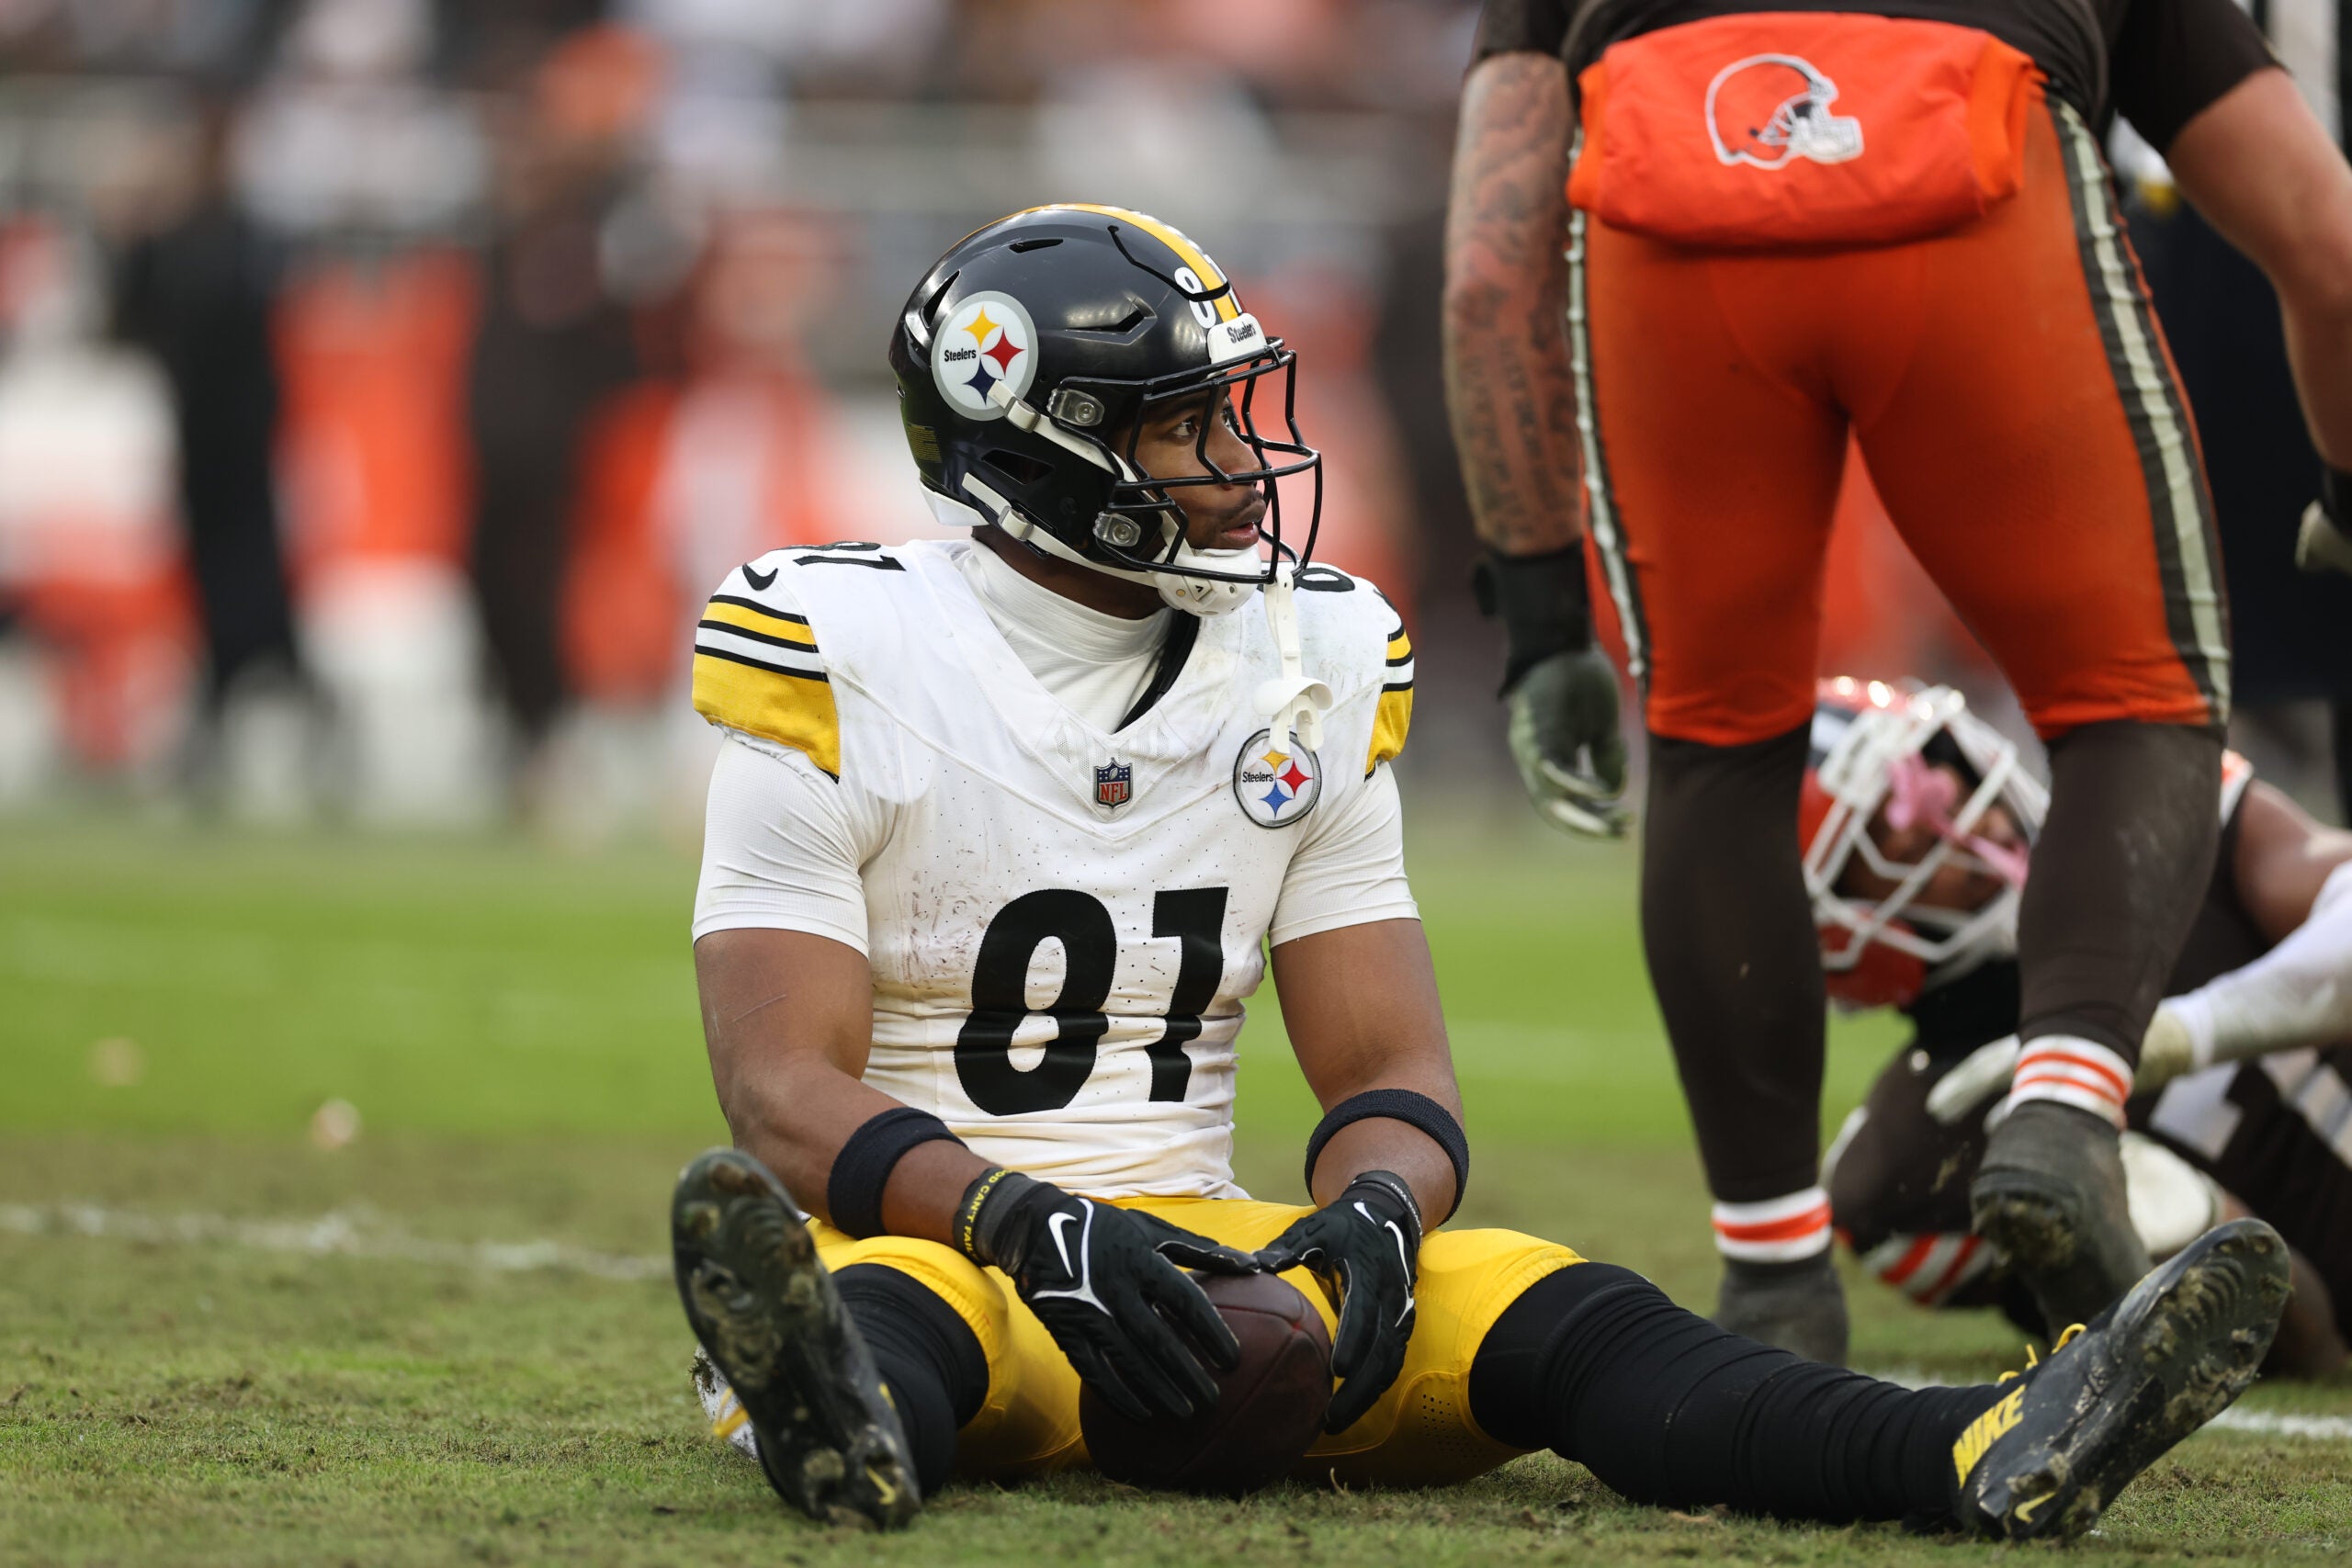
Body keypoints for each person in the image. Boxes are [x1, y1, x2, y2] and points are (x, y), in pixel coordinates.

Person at [664, 204, 2284, 1538]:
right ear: (1046, 446)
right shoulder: (839, 646)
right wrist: (1026, 1219)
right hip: (948, 1239)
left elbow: (1388, 1059)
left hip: (1209, 1246)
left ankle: (1969, 1445)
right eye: (1185, 424)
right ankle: (832, 1407)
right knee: (891, 1319)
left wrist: (1374, 1208)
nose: (1242, 458)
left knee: (1565, 1306)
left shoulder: (1309, 655)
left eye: (1235, 410)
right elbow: (779, 1091)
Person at [1444, 0, 2352, 1362]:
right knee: (2137, 704)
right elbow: (2328, 246)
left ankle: (1770, 1276)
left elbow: (1483, 273)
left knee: (1713, 742)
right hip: (1979, 187)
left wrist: (1534, 609)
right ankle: (2062, 1104)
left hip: (1676, 207)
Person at [1796, 677, 2352, 1375]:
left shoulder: (2145, 809)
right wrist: (2195, 1215)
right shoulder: (1913, 1155)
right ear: (1844, 929)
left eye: (1924, 761)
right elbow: (2300, 1332)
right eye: (1882, 825)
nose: (1941, 798)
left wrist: (2183, 1032)